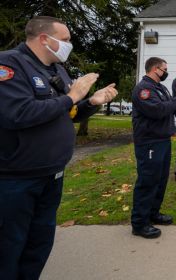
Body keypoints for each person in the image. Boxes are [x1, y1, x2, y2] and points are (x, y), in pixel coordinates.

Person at [0, 16, 118, 279]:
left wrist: (92, 102)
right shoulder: (9, 64)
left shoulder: (57, 70)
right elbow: (17, 114)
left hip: (52, 173)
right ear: (44, 39)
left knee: (39, 244)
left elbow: (69, 112)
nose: (68, 46)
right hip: (17, 178)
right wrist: (73, 95)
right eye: (64, 41)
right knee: (9, 247)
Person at [131, 57, 176, 239]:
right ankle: (140, 223)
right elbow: (158, 111)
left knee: (160, 180)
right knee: (148, 181)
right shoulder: (144, 89)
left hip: (162, 140)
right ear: (155, 69)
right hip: (149, 142)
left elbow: (169, 107)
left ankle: (153, 213)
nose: (166, 72)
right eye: (164, 69)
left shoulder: (160, 87)